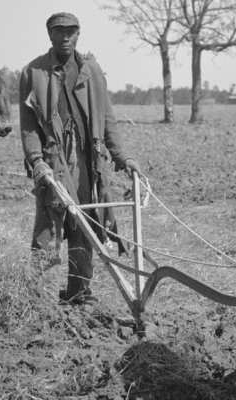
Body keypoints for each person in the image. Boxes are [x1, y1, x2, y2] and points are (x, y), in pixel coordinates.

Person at [19, 12, 142, 305]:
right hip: (55, 158)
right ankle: (40, 296)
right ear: (49, 35)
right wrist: (37, 161)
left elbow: (107, 119)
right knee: (51, 222)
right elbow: (28, 125)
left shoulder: (92, 70)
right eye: (59, 32)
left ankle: (79, 290)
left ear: (78, 34)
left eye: (71, 32)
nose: (65, 37)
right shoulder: (33, 73)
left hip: (89, 158)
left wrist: (122, 157)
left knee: (86, 220)